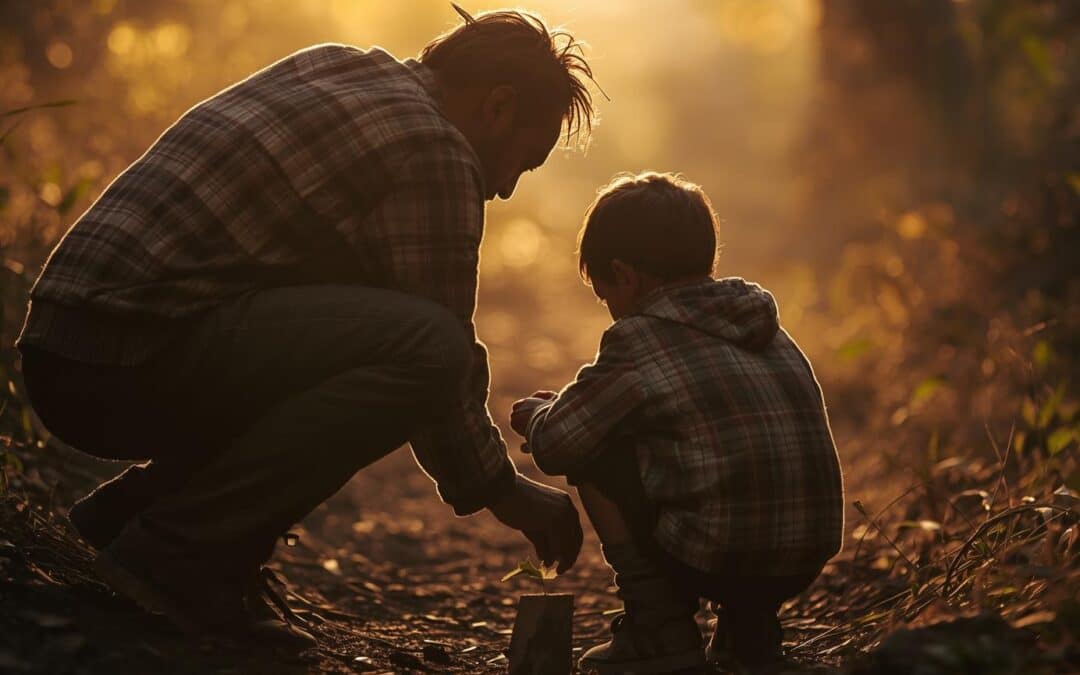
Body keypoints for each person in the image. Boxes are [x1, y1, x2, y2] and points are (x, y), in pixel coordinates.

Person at [16, 6, 593, 650]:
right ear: (498, 106)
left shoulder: (340, 64)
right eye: (525, 159)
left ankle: (136, 517)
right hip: (119, 363)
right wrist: (503, 490)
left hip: (68, 344)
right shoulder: (432, 145)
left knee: (379, 326)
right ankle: (177, 556)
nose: (509, 188)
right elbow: (443, 354)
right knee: (428, 345)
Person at [510, 172, 845, 674]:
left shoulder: (639, 338)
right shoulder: (769, 328)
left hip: (716, 553)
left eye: (606, 296)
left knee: (594, 447)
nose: (612, 314)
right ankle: (749, 631)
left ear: (624, 275)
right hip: (805, 553)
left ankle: (658, 627)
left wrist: (538, 414)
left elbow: (560, 442)